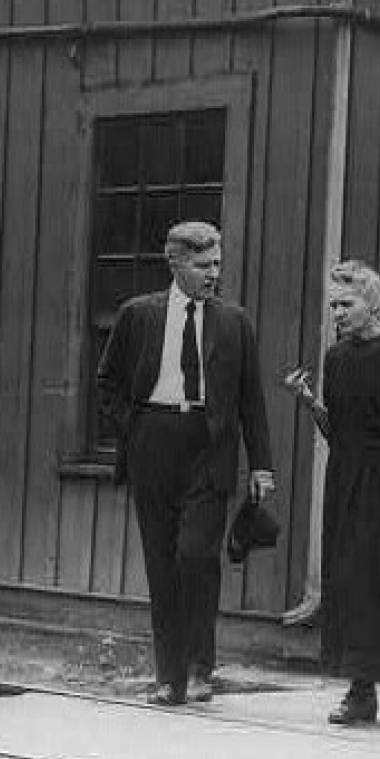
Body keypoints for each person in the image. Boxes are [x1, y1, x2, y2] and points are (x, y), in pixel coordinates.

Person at [97, 220, 275, 707]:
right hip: (153, 440)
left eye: (217, 263)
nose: (212, 274)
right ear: (175, 264)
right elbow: (107, 382)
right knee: (160, 561)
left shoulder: (234, 322)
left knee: (196, 555)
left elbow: (251, 400)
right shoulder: (139, 315)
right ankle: (168, 676)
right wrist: (132, 433)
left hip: (209, 444)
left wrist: (262, 465)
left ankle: (201, 666)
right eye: (202, 265)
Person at [283, 261, 380, 725]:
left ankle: (369, 683)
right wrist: (311, 403)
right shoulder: (337, 357)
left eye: (345, 304)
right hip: (348, 483)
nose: (337, 313)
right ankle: (359, 689)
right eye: (332, 305)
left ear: (373, 302)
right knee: (349, 581)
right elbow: (342, 432)